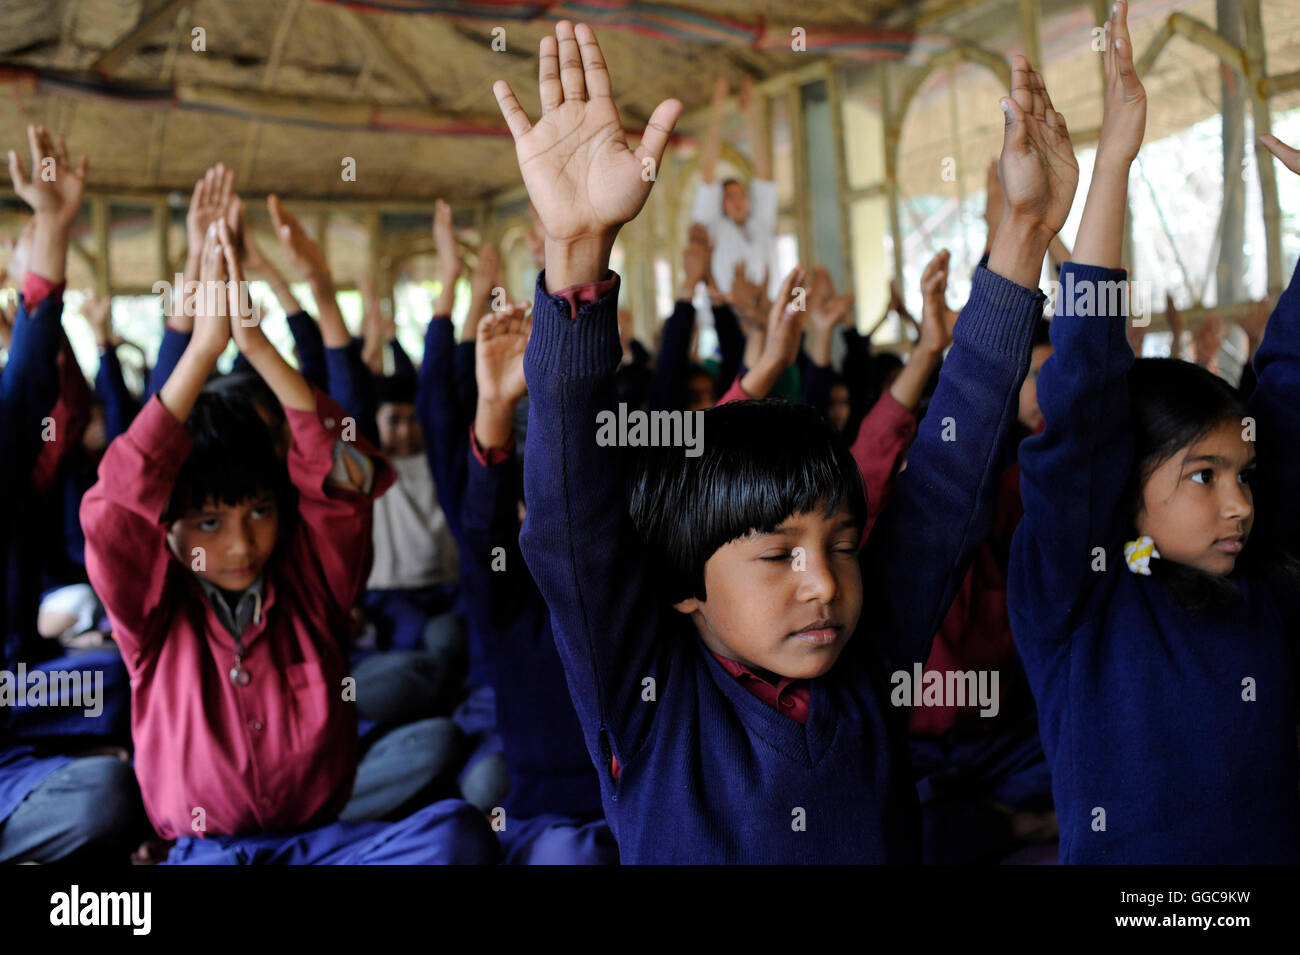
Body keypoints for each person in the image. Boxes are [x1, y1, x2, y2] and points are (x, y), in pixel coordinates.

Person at [493, 20, 1069, 862]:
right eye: (777, 554)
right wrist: (577, 255)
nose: (825, 584)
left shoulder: (865, 663)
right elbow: (568, 516)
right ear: (684, 582)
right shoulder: (646, 695)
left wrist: (1021, 236)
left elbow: (947, 479)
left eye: (840, 544)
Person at [81, 217, 496, 864]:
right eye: (210, 522)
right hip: (205, 851)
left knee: (456, 833)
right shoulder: (151, 621)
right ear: (169, 533)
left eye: (260, 511)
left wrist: (259, 347)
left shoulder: (313, 587)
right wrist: (199, 353)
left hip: (319, 845)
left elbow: (347, 474)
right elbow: (113, 516)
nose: (242, 543)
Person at [1009, 0, 1300, 863]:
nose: (1240, 502)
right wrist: (1112, 170)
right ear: (1124, 496)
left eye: (1242, 475)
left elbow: (1285, 388)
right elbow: (1086, 402)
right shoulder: (1083, 598)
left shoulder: (1258, 583)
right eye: (1204, 476)